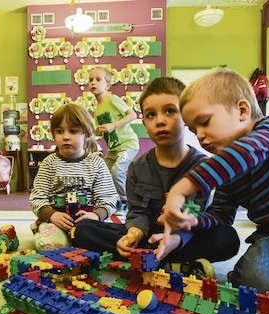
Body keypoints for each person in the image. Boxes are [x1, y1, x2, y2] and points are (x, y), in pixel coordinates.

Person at [159, 68, 269, 298]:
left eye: (205, 122)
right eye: (193, 130)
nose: (199, 136)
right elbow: (221, 215)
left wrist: (182, 188)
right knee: (250, 283)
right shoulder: (227, 170)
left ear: (242, 110)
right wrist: (193, 220)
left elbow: (250, 151)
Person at [71, 77, 239, 271]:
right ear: (144, 123)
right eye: (151, 115)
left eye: (170, 111)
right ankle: (171, 261)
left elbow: (193, 213)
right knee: (83, 230)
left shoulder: (202, 166)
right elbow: (137, 212)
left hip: (185, 234)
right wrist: (133, 233)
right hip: (148, 234)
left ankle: (156, 256)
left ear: (186, 116)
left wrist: (175, 239)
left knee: (226, 238)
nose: (160, 121)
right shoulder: (137, 166)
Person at [29, 103, 118, 251]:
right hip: (56, 222)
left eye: (73, 131)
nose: (66, 137)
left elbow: (108, 197)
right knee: (50, 246)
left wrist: (96, 215)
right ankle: (43, 229)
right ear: (53, 134)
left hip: (87, 222)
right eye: (59, 131)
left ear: (87, 134)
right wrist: (51, 215)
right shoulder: (49, 163)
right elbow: (37, 198)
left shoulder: (96, 163)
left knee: (112, 242)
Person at [88, 66, 139, 214]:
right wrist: (98, 131)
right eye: (91, 80)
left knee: (117, 172)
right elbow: (102, 131)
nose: (93, 82)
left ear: (108, 85)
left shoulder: (112, 99)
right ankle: (112, 200)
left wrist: (114, 125)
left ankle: (125, 202)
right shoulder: (97, 108)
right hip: (113, 149)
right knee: (104, 172)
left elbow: (133, 115)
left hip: (127, 145)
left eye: (98, 79)